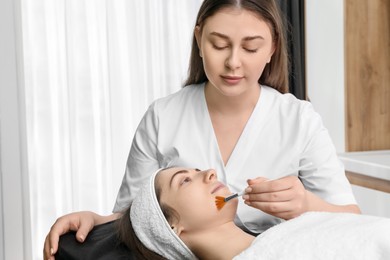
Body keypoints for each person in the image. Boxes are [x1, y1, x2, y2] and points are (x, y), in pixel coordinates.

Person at [44, 0, 361, 259]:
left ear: (273, 48)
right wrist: (98, 222)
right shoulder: (163, 116)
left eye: (250, 48)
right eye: (219, 44)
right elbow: (142, 217)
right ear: (199, 39)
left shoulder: (299, 121)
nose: (233, 62)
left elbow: (353, 221)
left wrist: (306, 204)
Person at [118, 167, 390, 260]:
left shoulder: (294, 227)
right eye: (185, 180)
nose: (209, 172)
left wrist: (306, 202)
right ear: (171, 227)